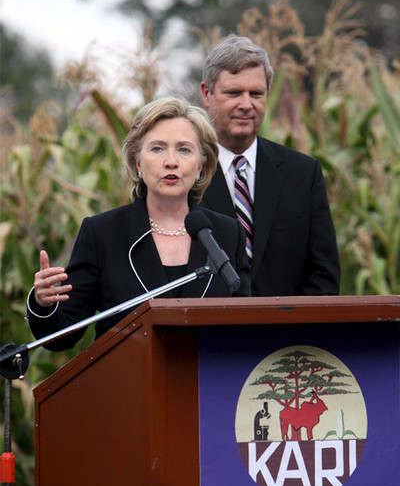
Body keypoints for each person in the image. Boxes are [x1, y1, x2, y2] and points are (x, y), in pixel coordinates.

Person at [27, 97, 250, 351]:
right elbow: (62, 335)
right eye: (157, 148)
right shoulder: (103, 233)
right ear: (138, 162)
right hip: (127, 386)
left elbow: (244, 322)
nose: (171, 161)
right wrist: (43, 304)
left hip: (208, 384)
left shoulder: (227, 233)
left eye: (184, 149)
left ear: (201, 165)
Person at [200, 35, 340, 296]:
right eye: (233, 93)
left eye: (256, 93)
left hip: (289, 333)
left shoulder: (303, 174)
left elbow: (323, 275)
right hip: (206, 332)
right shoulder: (183, 174)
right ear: (207, 94)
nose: (246, 104)